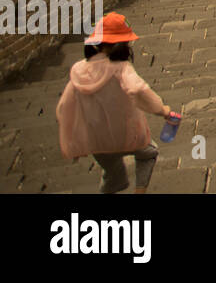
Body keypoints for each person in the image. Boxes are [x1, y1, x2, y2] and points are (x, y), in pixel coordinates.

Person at [55, 13, 172, 194]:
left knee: (114, 177)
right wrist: (162, 110)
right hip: (127, 134)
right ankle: (139, 192)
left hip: (97, 141)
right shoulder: (121, 69)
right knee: (149, 153)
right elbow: (138, 90)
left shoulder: (79, 71)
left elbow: (63, 108)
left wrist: (73, 140)